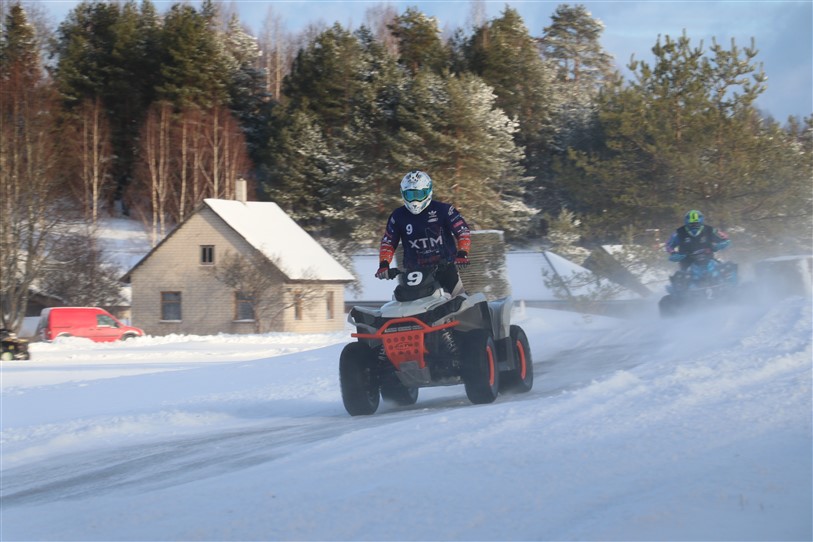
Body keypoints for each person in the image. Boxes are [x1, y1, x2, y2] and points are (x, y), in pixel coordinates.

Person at [375, 170, 471, 297]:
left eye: (419, 194)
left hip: (445, 270)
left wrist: (462, 253)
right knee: (403, 301)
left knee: (460, 300)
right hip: (413, 274)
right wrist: (384, 264)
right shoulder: (398, 216)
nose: (414, 200)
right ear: (403, 194)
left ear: (428, 191)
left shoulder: (444, 210)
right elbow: (388, 242)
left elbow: (463, 231)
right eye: (410, 195)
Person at [665, 209, 730, 271]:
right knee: (682, 276)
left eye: (696, 223)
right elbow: (669, 245)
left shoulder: (709, 230)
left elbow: (723, 239)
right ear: (687, 222)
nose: (694, 226)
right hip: (687, 262)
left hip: (708, 259)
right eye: (692, 224)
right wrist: (673, 253)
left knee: (724, 269)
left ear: (701, 222)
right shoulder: (679, 233)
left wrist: (721, 244)